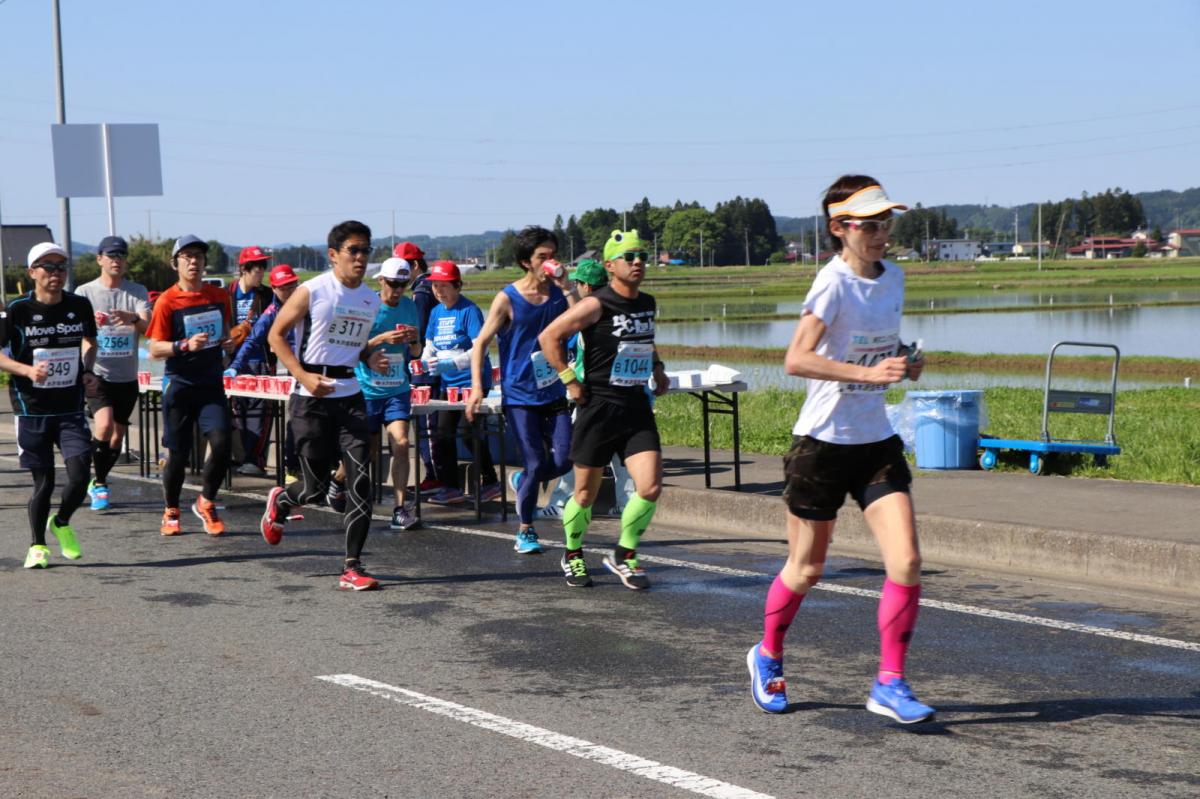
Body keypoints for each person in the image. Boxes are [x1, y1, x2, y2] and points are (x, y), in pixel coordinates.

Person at [745, 175, 933, 723]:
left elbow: (879, 347)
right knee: (806, 569)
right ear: (838, 228)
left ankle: (890, 683)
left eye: (886, 224)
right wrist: (868, 375)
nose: (880, 235)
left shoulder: (893, 278)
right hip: (821, 446)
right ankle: (768, 655)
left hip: (874, 442)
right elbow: (796, 359)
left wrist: (905, 362)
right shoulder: (831, 283)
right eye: (868, 225)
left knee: (908, 561)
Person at [259, 220, 389, 591]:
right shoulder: (311, 291)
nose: (361, 258)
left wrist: (369, 357)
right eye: (354, 250)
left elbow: (352, 347)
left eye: (366, 250)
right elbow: (276, 336)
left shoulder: (369, 298)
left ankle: (352, 566)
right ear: (333, 255)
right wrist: (302, 376)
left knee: (361, 480)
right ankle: (283, 500)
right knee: (313, 490)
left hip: (350, 395)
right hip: (311, 397)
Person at [538, 230, 669, 590]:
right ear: (610, 266)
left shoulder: (647, 302)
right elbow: (549, 337)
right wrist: (568, 378)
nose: (638, 261)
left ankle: (624, 554)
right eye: (630, 257)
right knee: (585, 495)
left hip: (636, 406)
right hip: (598, 407)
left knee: (651, 486)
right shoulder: (597, 304)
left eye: (641, 255)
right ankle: (573, 553)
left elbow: (645, 339)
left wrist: (657, 369)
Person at [466, 226, 573, 554]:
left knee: (567, 457)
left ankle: (523, 479)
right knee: (536, 463)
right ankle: (526, 529)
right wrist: (476, 387)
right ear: (526, 262)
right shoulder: (508, 298)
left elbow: (584, 317)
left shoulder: (559, 293)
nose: (550, 262)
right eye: (543, 257)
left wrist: (567, 286)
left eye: (553, 255)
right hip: (520, 393)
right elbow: (481, 342)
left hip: (554, 389)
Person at [0, 242, 98, 568]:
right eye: (48, 267)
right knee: (44, 482)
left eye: (61, 267)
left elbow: (89, 341)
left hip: (70, 407)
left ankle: (62, 521)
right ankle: (37, 545)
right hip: (32, 409)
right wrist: (27, 370)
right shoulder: (17, 311)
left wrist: (86, 370)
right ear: (32, 273)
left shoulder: (79, 305)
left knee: (81, 473)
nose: (56, 273)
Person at [145, 234, 236, 536]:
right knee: (179, 454)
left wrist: (228, 342)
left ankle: (206, 502)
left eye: (198, 256)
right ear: (176, 263)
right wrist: (183, 345)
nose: (193, 261)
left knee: (222, 444)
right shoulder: (167, 302)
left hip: (210, 383)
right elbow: (155, 348)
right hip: (180, 385)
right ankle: (171, 508)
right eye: (186, 256)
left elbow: (224, 333)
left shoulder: (218, 296)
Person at [535, 258, 636, 520]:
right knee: (621, 455)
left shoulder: (593, 310)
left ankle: (560, 503)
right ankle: (626, 504)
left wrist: (569, 377)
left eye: (579, 284)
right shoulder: (619, 307)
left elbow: (569, 322)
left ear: (586, 286)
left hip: (593, 395)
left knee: (578, 453)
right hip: (622, 393)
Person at [75, 235, 152, 511]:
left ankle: (99, 477)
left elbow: (149, 329)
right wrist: (90, 325)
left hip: (127, 375)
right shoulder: (85, 292)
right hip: (97, 372)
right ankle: (98, 483)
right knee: (104, 425)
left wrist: (132, 318)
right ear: (99, 259)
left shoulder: (137, 291)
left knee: (118, 435)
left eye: (121, 256)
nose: (116, 260)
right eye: (111, 256)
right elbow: (75, 332)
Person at [349, 256, 420, 530]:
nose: (398, 289)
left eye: (403, 284)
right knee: (366, 451)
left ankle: (399, 509)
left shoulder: (410, 306)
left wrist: (414, 342)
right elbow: (353, 349)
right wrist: (382, 339)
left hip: (397, 389)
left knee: (401, 442)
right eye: (393, 284)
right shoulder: (368, 306)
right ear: (380, 281)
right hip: (366, 390)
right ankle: (339, 481)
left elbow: (415, 352)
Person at [421, 260, 499, 506]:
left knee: (467, 431)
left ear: (457, 285)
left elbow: (481, 349)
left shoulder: (470, 310)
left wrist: (453, 364)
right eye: (435, 285)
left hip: (472, 382)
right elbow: (429, 346)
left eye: (444, 286)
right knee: (442, 434)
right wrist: (424, 362)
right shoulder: (436, 312)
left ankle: (490, 481)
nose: (438, 291)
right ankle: (450, 487)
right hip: (448, 385)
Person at [226, 263, 302, 475]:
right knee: (295, 416)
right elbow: (251, 341)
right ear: (274, 289)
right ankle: (292, 468)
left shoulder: (309, 304)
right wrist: (234, 367)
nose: (288, 291)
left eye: (292, 285)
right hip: (292, 368)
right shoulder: (271, 312)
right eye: (283, 287)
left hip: (316, 365)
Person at [399, 241, 442, 496]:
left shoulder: (422, 292)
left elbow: (419, 331)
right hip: (432, 364)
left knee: (427, 424)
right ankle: (434, 474)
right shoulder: (427, 287)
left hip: (424, 366)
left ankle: (433, 475)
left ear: (415, 265)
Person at [228, 246, 274, 476]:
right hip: (233, 361)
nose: (262, 271)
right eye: (258, 267)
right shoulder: (228, 294)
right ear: (244, 269)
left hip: (262, 361)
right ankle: (241, 457)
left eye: (264, 266)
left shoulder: (267, 295)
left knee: (261, 411)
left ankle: (255, 460)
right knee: (237, 410)